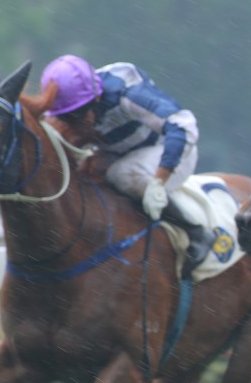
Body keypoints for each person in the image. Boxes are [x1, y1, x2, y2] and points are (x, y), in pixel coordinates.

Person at [39, 55, 214, 277]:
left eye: (80, 112)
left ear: (97, 97)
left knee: (121, 174)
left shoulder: (127, 92)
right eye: (67, 117)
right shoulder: (67, 105)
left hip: (168, 152)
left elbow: (182, 126)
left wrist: (158, 182)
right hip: (119, 154)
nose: (77, 122)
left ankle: (195, 231)